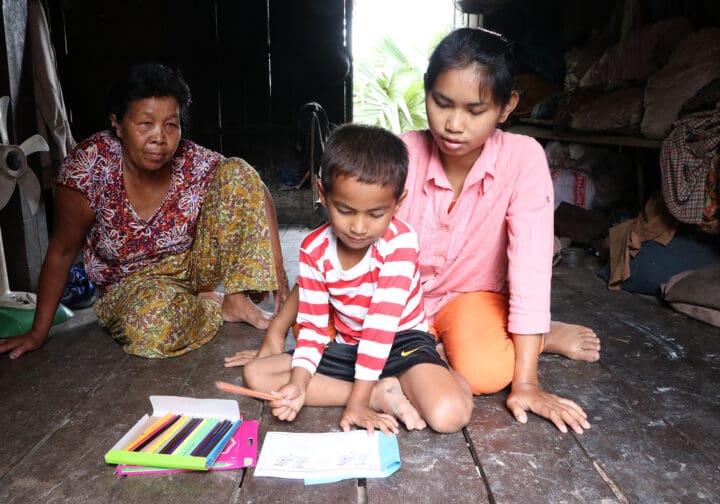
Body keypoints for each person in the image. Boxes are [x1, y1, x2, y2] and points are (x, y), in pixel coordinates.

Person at [230, 28, 601, 434]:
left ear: (507, 105)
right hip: (387, 301)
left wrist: (527, 383)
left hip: (468, 298)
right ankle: (420, 367)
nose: (454, 124)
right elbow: (336, 252)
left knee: (487, 374)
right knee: (299, 346)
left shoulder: (523, 158)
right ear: (426, 90)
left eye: (475, 111)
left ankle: (537, 337)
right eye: (441, 103)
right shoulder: (401, 154)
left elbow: (530, 270)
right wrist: (279, 331)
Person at [0, 63, 289, 360]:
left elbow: (254, 186)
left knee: (238, 171)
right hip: (131, 289)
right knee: (153, 327)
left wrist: (278, 271)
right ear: (118, 123)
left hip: (192, 268)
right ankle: (213, 304)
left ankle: (236, 299)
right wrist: (38, 333)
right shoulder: (89, 168)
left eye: (170, 125)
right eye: (145, 124)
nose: (159, 138)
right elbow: (61, 252)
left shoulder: (190, 159)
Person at [242, 123, 473, 434]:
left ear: (398, 204)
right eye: (345, 210)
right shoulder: (313, 249)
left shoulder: (400, 243)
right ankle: (380, 392)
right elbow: (311, 328)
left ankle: (428, 371)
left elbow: (380, 328)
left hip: (401, 341)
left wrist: (356, 404)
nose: (359, 227)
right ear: (323, 193)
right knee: (256, 375)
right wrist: (299, 383)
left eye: (376, 214)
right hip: (349, 348)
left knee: (448, 416)